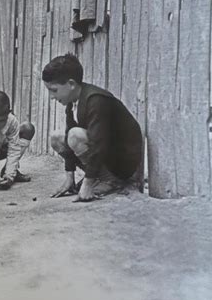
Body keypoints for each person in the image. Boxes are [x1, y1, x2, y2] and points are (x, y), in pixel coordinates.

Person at [42, 53, 142, 202]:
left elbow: (98, 145)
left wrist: (87, 183)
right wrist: (69, 177)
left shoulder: (96, 100)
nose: (51, 97)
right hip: (106, 152)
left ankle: (110, 180)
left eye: (54, 90)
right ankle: (99, 177)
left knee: (75, 135)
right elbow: (69, 136)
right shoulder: (72, 100)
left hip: (123, 160)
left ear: (71, 84)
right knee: (57, 137)